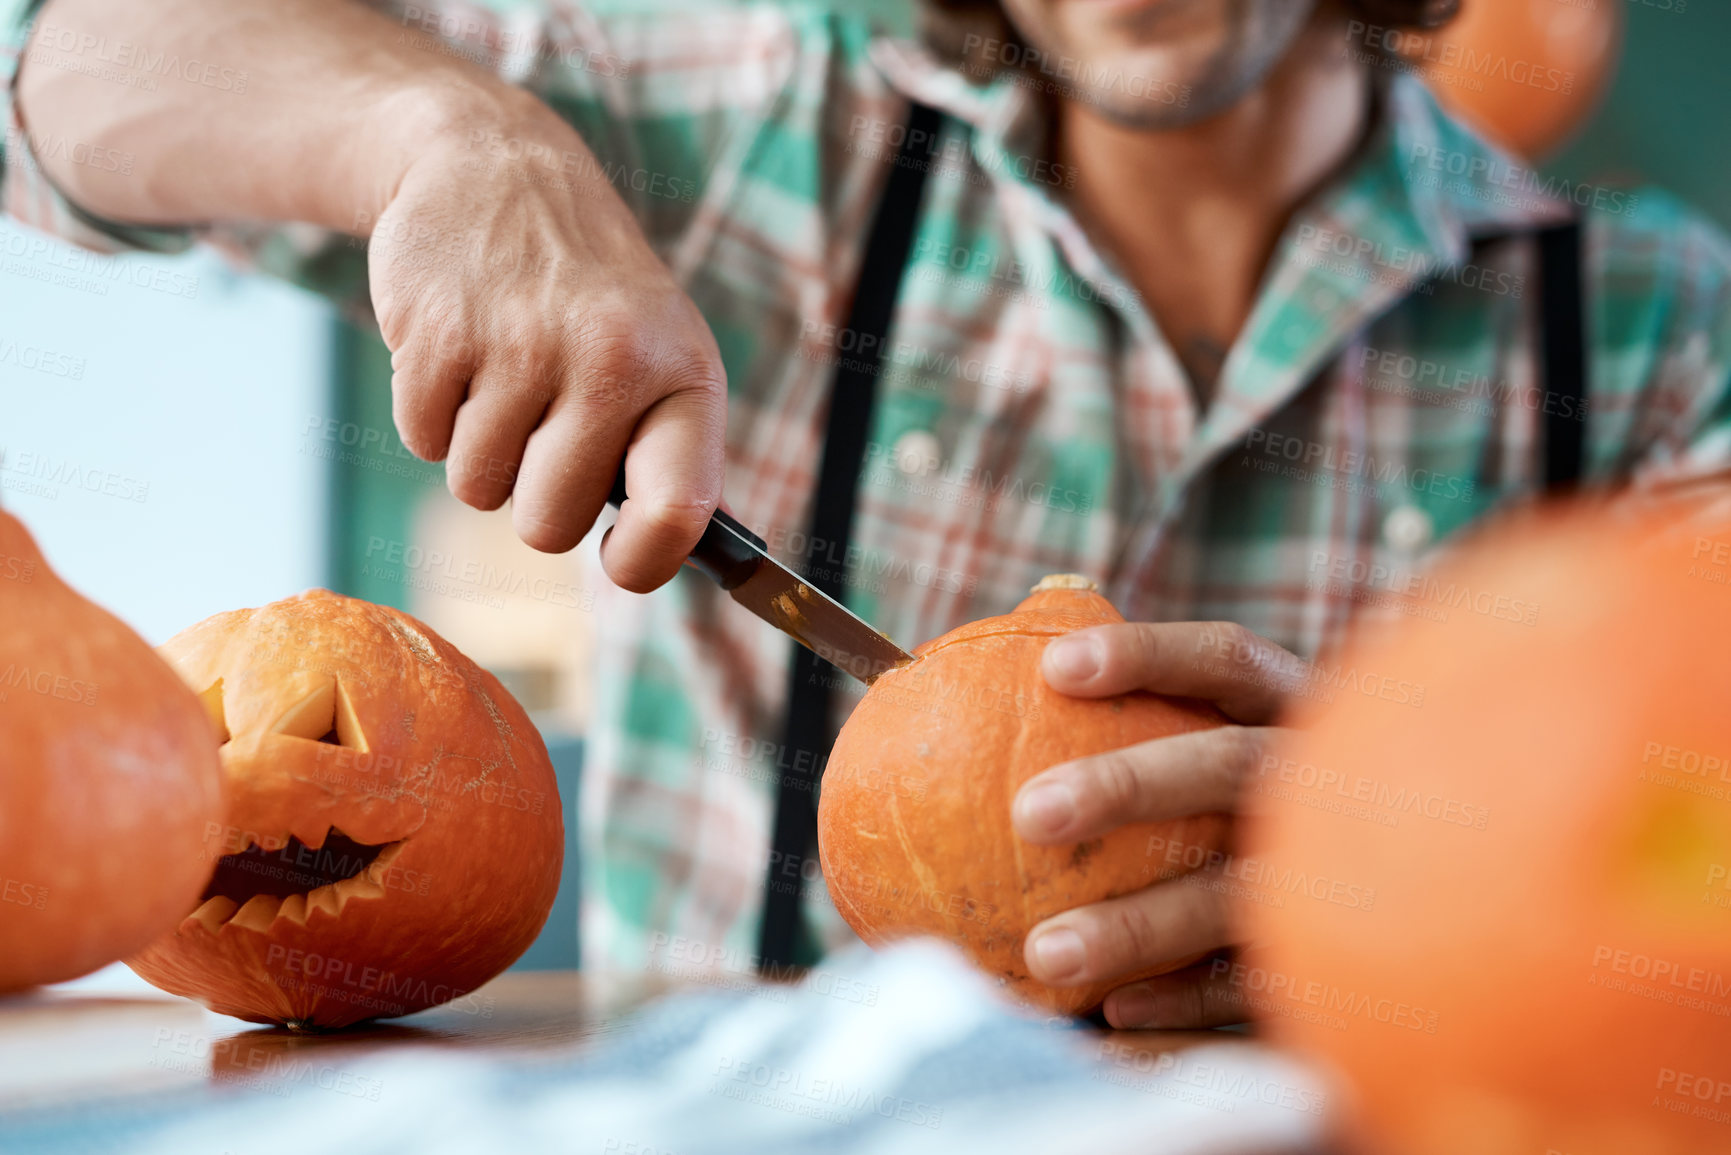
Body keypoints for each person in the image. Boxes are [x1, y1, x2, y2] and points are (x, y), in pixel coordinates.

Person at [6, 0, 1727, 1029]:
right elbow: (57, 61)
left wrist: (1432, 873)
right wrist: (444, 139)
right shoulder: (738, 126)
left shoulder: (1659, 332)